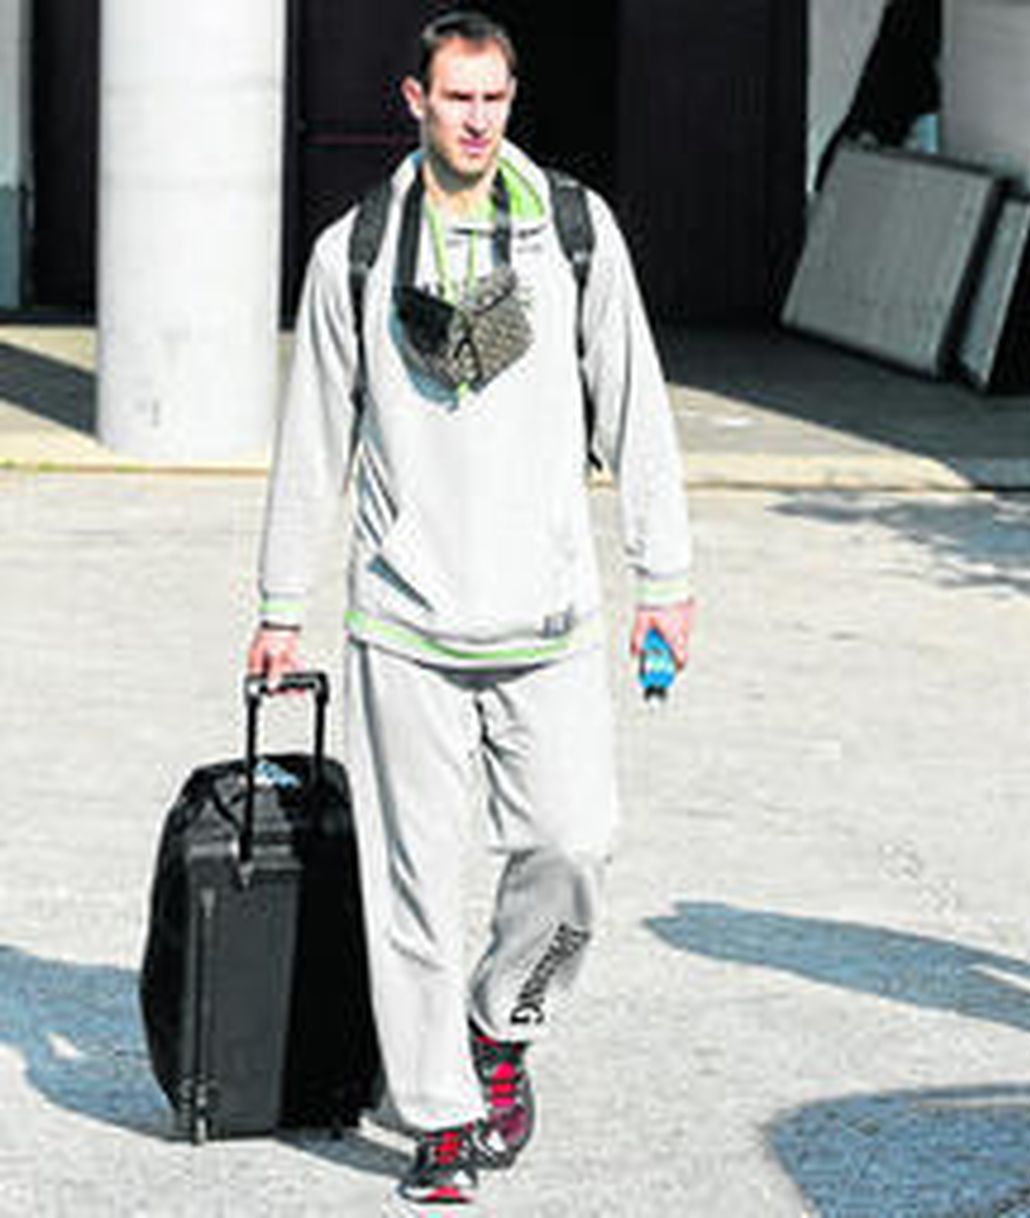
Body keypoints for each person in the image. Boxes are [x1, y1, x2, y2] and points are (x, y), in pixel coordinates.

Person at [247, 10, 693, 1205]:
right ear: (414, 101)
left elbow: (635, 407)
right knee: (413, 879)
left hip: (547, 617)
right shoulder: (357, 251)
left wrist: (667, 577)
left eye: (495, 99)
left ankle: (499, 1024)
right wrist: (281, 599)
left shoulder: (573, 234)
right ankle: (440, 1117)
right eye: (457, 99)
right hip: (403, 620)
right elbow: (312, 442)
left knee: (575, 843)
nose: (478, 120)